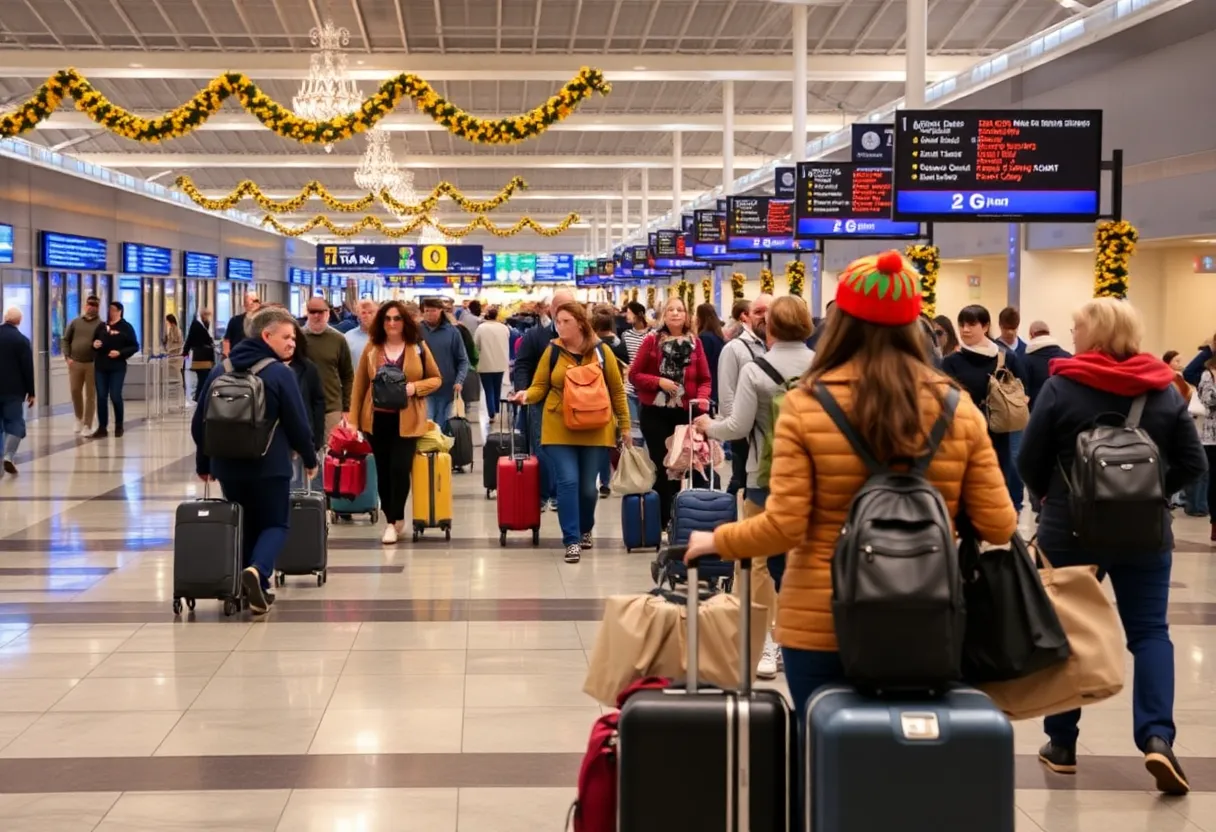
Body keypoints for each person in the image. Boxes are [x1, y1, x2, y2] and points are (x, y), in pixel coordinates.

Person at [682, 250, 1016, 741]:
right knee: (909, 763)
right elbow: (1001, 524)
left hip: (821, 620)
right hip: (928, 615)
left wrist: (717, 541)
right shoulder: (955, 407)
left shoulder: (807, 404)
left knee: (827, 762)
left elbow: (785, 525)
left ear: (842, 324)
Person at [1018, 297, 1206, 796]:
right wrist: (1154, 496)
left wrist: (1051, 497)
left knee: (1067, 630)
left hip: (1069, 530)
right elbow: (1193, 464)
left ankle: (1062, 745)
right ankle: (1157, 738)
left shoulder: (1061, 387)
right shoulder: (1162, 389)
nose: (1072, 335)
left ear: (1097, 335)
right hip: (1145, 534)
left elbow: (1029, 461)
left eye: (1078, 328)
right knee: (1149, 633)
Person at [693, 296, 814, 679]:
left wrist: (706, 426)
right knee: (804, 557)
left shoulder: (756, 369)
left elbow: (738, 427)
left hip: (766, 476)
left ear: (771, 328)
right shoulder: (823, 367)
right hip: (814, 477)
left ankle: (765, 646)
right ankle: (799, 636)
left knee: (759, 562)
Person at [192, 307, 319, 615]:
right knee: (276, 523)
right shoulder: (279, 373)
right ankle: (258, 571)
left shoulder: (221, 369)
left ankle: (253, 591)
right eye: (287, 337)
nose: (292, 343)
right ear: (266, 336)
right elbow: (298, 422)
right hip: (270, 464)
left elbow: (200, 424)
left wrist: (204, 464)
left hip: (227, 466)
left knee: (245, 523)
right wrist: (310, 456)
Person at [510, 302, 631, 563]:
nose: (560, 326)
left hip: (596, 426)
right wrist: (526, 395)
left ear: (580, 322)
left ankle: (585, 527)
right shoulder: (553, 350)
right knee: (568, 481)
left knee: (588, 488)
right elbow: (540, 386)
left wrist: (626, 426)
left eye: (566, 321)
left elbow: (617, 390)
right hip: (558, 425)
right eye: (558, 321)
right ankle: (571, 540)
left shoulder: (602, 352)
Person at [348, 300, 442, 544]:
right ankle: (391, 520)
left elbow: (436, 379)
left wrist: (415, 388)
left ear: (405, 321)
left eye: (396, 318)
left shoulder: (417, 347)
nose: (392, 323)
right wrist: (354, 421)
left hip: (407, 420)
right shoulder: (373, 347)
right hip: (377, 420)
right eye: (387, 318)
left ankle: (396, 517)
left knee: (399, 470)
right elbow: (360, 386)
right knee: (383, 471)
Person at [628, 297, 713, 529]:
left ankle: (682, 516)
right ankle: (664, 519)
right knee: (663, 464)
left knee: (683, 464)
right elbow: (634, 375)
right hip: (655, 412)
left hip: (685, 413)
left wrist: (702, 400)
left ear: (687, 316)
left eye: (681, 310)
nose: (676, 314)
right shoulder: (651, 341)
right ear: (663, 315)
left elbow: (705, 378)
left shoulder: (696, 343)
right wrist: (659, 382)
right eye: (671, 310)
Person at [942, 304, 1029, 514]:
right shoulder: (952, 362)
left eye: (971, 324)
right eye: (961, 324)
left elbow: (1022, 389)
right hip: (964, 432)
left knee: (997, 482)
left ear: (986, 326)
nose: (965, 329)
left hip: (999, 433)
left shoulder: (1006, 358)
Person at [514, 289, 575, 512]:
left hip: (576, 403)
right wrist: (524, 391)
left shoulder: (584, 337)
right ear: (551, 310)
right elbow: (522, 365)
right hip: (541, 403)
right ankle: (544, 494)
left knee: (569, 449)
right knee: (542, 448)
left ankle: (561, 492)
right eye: (559, 308)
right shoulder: (535, 336)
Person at [718, 294, 771, 495]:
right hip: (745, 435)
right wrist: (738, 434)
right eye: (758, 312)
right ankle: (727, 524)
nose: (765, 317)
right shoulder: (734, 349)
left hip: (769, 433)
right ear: (746, 317)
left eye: (769, 311)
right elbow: (727, 395)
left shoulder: (772, 346)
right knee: (742, 482)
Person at [302, 296, 354, 440]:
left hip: (331, 406)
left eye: (321, 312)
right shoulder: (297, 338)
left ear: (328, 313)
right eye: (312, 312)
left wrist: (346, 407)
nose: (316, 316)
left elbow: (347, 375)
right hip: (304, 405)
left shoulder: (338, 339)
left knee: (330, 453)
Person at [592, 309, 630, 497]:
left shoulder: (595, 346)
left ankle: (599, 479)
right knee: (610, 443)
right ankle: (607, 480)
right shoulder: (619, 343)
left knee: (598, 444)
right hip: (614, 397)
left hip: (595, 397)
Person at [419, 297, 469, 431]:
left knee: (443, 427)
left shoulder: (452, 332)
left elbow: (463, 360)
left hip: (448, 389)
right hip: (424, 389)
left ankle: (442, 451)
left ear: (441, 311)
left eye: (433, 310)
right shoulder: (417, 331)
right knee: (427, 426)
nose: (429, 314)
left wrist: (460, 381)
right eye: (426, 310)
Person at [91, 301, 139, 439]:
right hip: (101, 366)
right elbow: (93, 342)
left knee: (115, 395)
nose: (110, 312)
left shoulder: (126, 328)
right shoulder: (101, 326)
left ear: (119, 311)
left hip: (117, 367)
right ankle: (102, 427)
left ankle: (119, 425)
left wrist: (120, 353)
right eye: (109, 309)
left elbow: (134, 346)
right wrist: (95, 344)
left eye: (113, 310)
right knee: (101, 396)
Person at [284, 319, 327, 464]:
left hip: (303, 434)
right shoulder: (264, 367)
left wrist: (317, 438)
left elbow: (318, 403)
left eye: (293, 338)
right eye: (285, 337)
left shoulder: (308, 368)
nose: (289, 343)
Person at [0, 307, 34, 474]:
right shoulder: (21, 340)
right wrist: (31, 392)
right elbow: (27, 368)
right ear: (19, 321)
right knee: (15, 423)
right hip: (14, 390)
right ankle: (8, 456)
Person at [62, 294, 100, 436]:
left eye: (94, 305)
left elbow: (104, 343)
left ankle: (87, 424)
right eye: (89, 304)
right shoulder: (75, 322)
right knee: (75, 390)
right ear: (85, 305)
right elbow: (66, 340)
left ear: (98, 308)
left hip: (92, 364)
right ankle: (78, 417)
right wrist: (67, 357)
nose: (91, 307)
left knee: (90, 395)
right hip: (75, 362)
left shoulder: (101, 325)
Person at [620, 301, 652, 448]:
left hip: (647, 388)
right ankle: (637, 464)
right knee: (634, 431)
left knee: (647, 429)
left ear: (637, 314)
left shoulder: (653, 335)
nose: (626, 315)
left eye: (629, 312)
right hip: (630, 388)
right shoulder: (626, 335)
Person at [474, 306, 510, 422]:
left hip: (485, 364)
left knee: (488, 389)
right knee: (497, 388)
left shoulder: (481, 328)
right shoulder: (504, 328)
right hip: (500, 363)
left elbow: (476, 345)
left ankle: (491, 413)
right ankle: (497, 411)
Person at [1023, 320, 1072, 405]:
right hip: (1064, 410)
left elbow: (1025, 393)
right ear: (1049, 333)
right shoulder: (1068, 357)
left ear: (1032, 335)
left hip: (1038, 410)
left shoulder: (1026, 360)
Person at [694, 303, 727, 408]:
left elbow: (702, 365)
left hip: (709, 386)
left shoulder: (705, 338)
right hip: (717, 383)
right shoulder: (717, 336)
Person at [182, 308, 216, 404]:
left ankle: (199, 396)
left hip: (205, 356)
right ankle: (199, 397)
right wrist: (185, 352)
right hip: (201, 357)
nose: (209, 318)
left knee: (203, 377)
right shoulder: (196, 325)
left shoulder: (204, 325)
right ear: (203, 315)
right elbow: (190, 339)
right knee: (203, 377)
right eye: (207, 316)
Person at [344, 299, 379, 373]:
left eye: (370, 312)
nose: (367, 316)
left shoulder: (386, 336)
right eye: (363, 313)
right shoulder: (347, 337)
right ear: (358, 315)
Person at [223, 292, 261, 357]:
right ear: (245, 305)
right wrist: (227, 355)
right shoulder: (235, 320)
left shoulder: (263, 322)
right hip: (237, 356)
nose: (253, 304)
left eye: (256, 301)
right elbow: (227, 340)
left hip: (256, 356)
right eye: (250, 302)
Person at [163, 313, 185, 391]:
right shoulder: (171, 329)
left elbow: (178, 344)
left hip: (175, 356)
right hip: (172, 355)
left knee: (177, 372)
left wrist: (169, 350)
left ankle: (179, 387)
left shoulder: (176, 330)